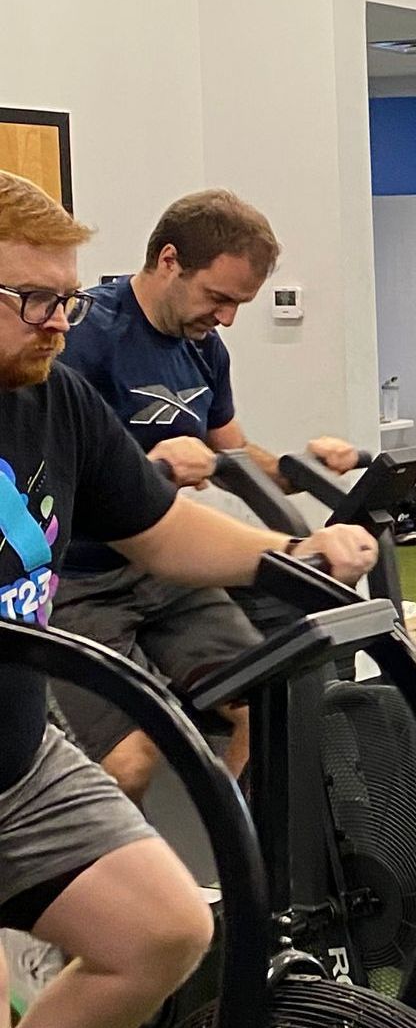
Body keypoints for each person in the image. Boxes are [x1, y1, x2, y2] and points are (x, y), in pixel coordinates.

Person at [0, 170, 375, 1028]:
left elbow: (164, 533)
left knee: (163, 931)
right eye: (31, 299)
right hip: (81, 617)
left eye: (66, 302)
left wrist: (296, 554)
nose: (58, 321)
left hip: (16, 752)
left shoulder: (51, 396)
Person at [49, 190, 363, 803]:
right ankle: (120, 891)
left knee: (271, 704)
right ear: (169, 261)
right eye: (218, 298)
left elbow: (236, 455)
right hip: (77, 582)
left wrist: (301, 468)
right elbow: (50, 475)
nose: (226, 319)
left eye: (238, 305)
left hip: (164, 569)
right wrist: (148, 469)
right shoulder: (84, 337)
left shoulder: (204, 351)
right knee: (131, 762)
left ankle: (250, 879)